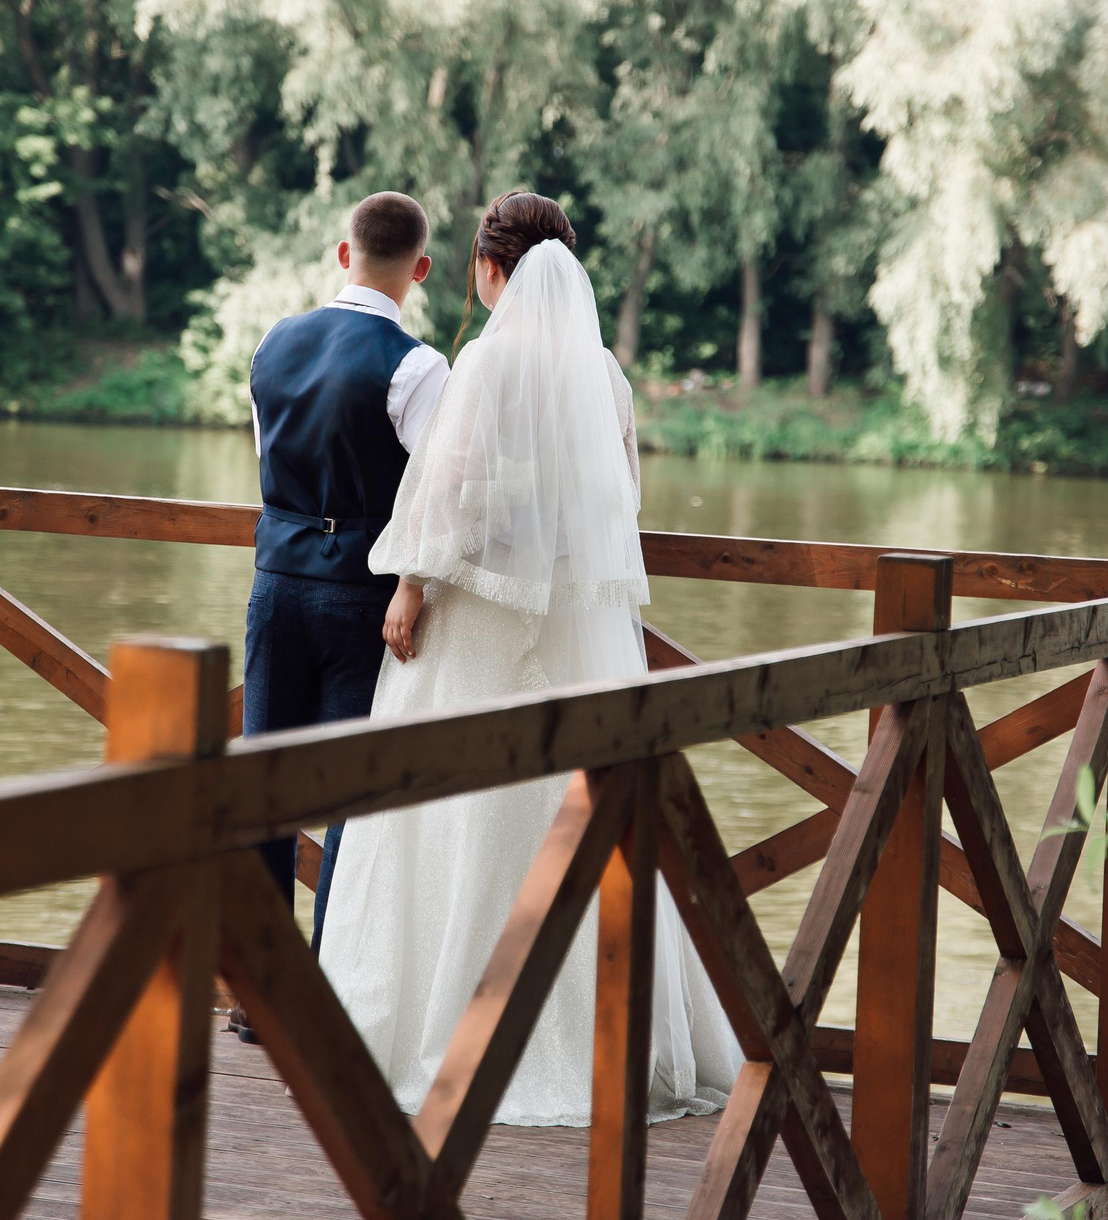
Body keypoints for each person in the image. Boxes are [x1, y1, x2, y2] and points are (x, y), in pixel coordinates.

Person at [316, 191, 742, 1126]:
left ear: (488, 266)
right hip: (571, 633)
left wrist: (411, 588)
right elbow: (619, 500)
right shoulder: (605, 375)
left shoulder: (485, 361)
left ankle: (445, 1026)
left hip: (474, 622)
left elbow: (447, 491)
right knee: (567, 811)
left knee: (449, 806)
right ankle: (595, 1031)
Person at [240, 191, 449, 983]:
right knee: (348, 801)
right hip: (363, 596)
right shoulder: (420, 366)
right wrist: (414, 585)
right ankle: (326, 986)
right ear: (420, 269)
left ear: (343, 252)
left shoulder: (272, 343)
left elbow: (268, 460)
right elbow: (437, 491)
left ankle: (263, 987)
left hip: (276, 582)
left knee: (265, 784)